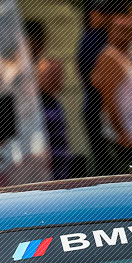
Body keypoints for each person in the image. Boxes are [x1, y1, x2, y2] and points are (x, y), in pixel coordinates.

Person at [89, 0, 132, 174]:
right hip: (125, 140)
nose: (125, 34)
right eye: (120, 29)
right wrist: (121, 133)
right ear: (110, 31)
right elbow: (108, 100)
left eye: (129, 29)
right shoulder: (109, 58)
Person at [25, 19, 81, 179]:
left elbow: (55, 86)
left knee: (57, 156)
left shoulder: (49, 65)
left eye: (36, 42)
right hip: (28, 116)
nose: (33, 47)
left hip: (48, 110)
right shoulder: (15, 67)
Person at [75, 0, 110, 173]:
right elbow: (89, 73)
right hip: (96, 104)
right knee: (102, 155)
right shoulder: (91, 38)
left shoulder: (101, 36)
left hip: (97, 104)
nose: (98, 17)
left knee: (103, 154)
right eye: (95, 13)